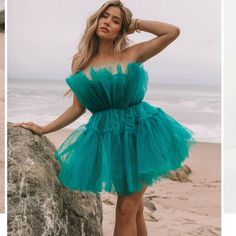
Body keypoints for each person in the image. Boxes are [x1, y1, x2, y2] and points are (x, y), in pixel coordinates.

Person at [14, 1, 196, 235]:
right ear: (96, 20)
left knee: (125, 210)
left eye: (116, 20)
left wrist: (135, 24)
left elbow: (172, 32)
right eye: (105, 17)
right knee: (135, 210)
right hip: (111, 139)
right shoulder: (80, 61)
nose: (108, 22)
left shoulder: (131, 54)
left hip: (141, 134)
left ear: (122, 29)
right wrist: (44, 128)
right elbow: (77, 109)